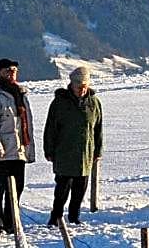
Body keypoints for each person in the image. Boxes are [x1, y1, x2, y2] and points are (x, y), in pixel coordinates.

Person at [44, 66, 103, 226]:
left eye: (84, 87)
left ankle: (74, 217)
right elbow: (50, 128)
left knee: (80, 188)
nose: (82, 90)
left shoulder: (94, 102)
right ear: (72, 85)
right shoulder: (60, 102)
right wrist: (49, 150)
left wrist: (98, 150)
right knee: (62, 188)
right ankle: (56, 217)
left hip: (85, 153)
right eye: (79, 87)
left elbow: (97, 129)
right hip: (64, 151)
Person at [0, 58, 35, 234]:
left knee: (17, 188)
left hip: (19, 149)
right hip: (3, 150)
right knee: (0, 188)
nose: (11, 73)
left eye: (14, 70)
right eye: (7, 70)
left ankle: (12, 221)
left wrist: (28, 148)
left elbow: (26, 124)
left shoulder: (20, 94)